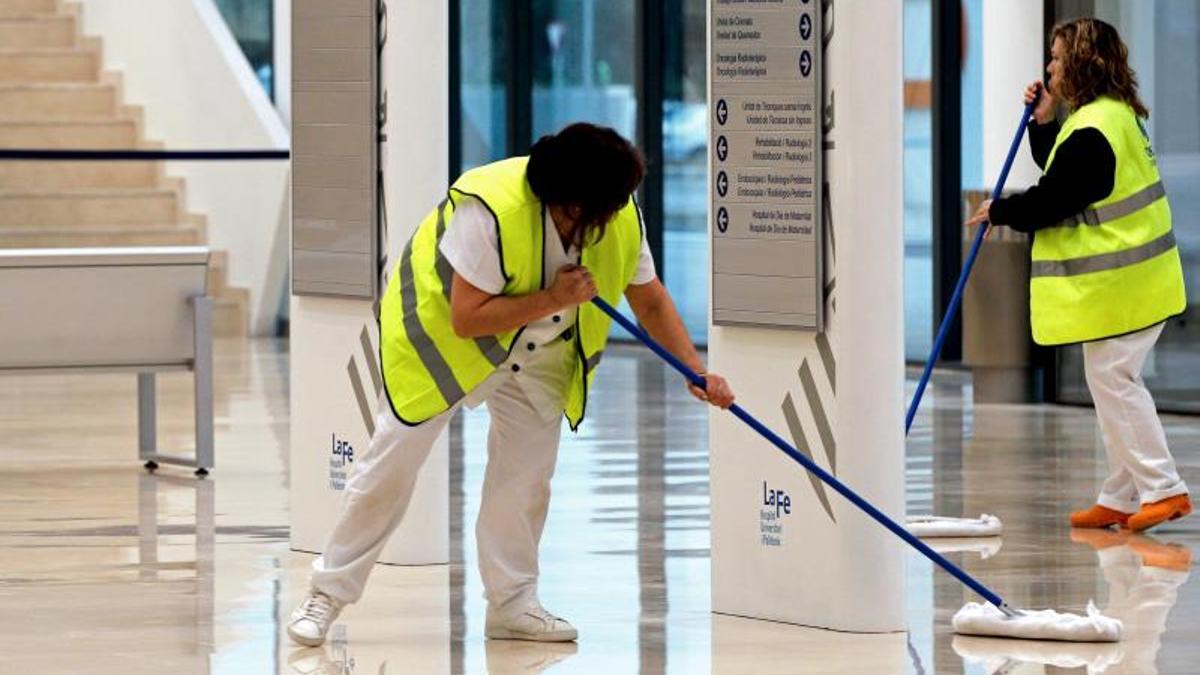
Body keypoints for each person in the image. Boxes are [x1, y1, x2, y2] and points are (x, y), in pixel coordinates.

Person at [287, 122, 735, 646]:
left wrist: (694, 369)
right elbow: (467, 317)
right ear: (571, 205)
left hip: (541, 349)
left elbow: (649, 298)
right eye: (607, 208)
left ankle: (513, 604)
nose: (616, 216)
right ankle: (326, 594)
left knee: (524, 480)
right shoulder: (490, 209)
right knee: (391, 466)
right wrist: (553, 298)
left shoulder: (616, 212)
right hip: (445, 341)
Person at [965, 18, 1190, 533]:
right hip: (1136, 282)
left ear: (1082, 64)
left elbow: (1055, 198)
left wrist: (1000, 211)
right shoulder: (1105, 117)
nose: (1049, 67)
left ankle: (1164, 489)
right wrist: (1043, 121)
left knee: (1113, 380)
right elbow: (1064, 172)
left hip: (1127, 282)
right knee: (1112, 380)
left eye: (1058, 58)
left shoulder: (1095, 129)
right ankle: (1121, 493)